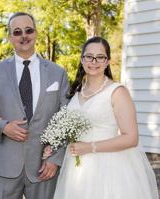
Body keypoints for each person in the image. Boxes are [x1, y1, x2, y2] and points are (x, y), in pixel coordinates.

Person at [53, 36, 158, 199]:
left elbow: (131, 138)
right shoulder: (76, 92)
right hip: (76, 170)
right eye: (89, 56)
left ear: (107, 61)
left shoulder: (117, 92)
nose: (94, 61)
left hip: (107, 168)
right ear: (82, 59)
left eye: (100, 57)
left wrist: (89, 147)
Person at [0, 12, 69, 199]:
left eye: (28, 30)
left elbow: (66, 119)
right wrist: (3, 127)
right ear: (11, 37)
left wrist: (55, 158)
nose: (24, 36)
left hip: (43, 167)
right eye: (17, 32)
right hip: (4, 166)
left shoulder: (57, 73)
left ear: (35, 33)